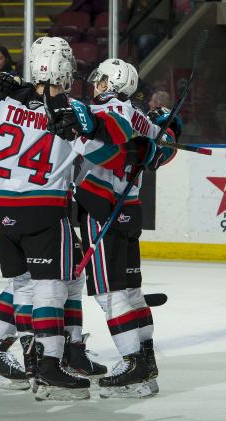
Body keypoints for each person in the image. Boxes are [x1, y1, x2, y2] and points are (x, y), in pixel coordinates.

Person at [0, 39, 138, 400]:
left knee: (22, 285)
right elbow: (108, 152)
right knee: (53, 287)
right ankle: (49, 368)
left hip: (2, 213)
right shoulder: (71, 110)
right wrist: (134, 145)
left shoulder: (3, 103)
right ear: (64, 69)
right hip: (44, 211)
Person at [76, 58, 177, 398]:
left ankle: (132, 365)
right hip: (129, 209)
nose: (96, 85)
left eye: (101, 80)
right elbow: (165, 151)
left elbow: (97, 148)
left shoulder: (106, 112)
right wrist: (166, 129)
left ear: (113, 83)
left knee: (110, 294)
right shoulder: (138, 115)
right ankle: (146, 362)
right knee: (131, 292)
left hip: (103, 208)